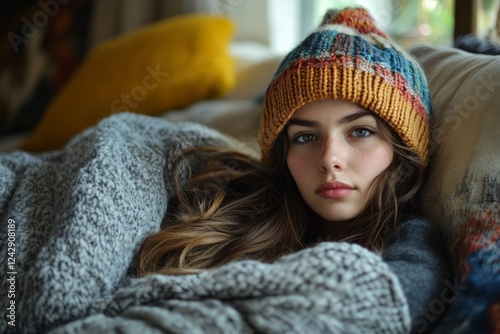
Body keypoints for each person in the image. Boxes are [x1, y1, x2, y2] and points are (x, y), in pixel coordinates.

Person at [137, 7, 451, 331]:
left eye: (360, 131)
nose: (330, 159)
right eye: (305, 137)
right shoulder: (227, 205)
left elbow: (387, 306)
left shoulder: (413, 245)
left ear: (404, 149)